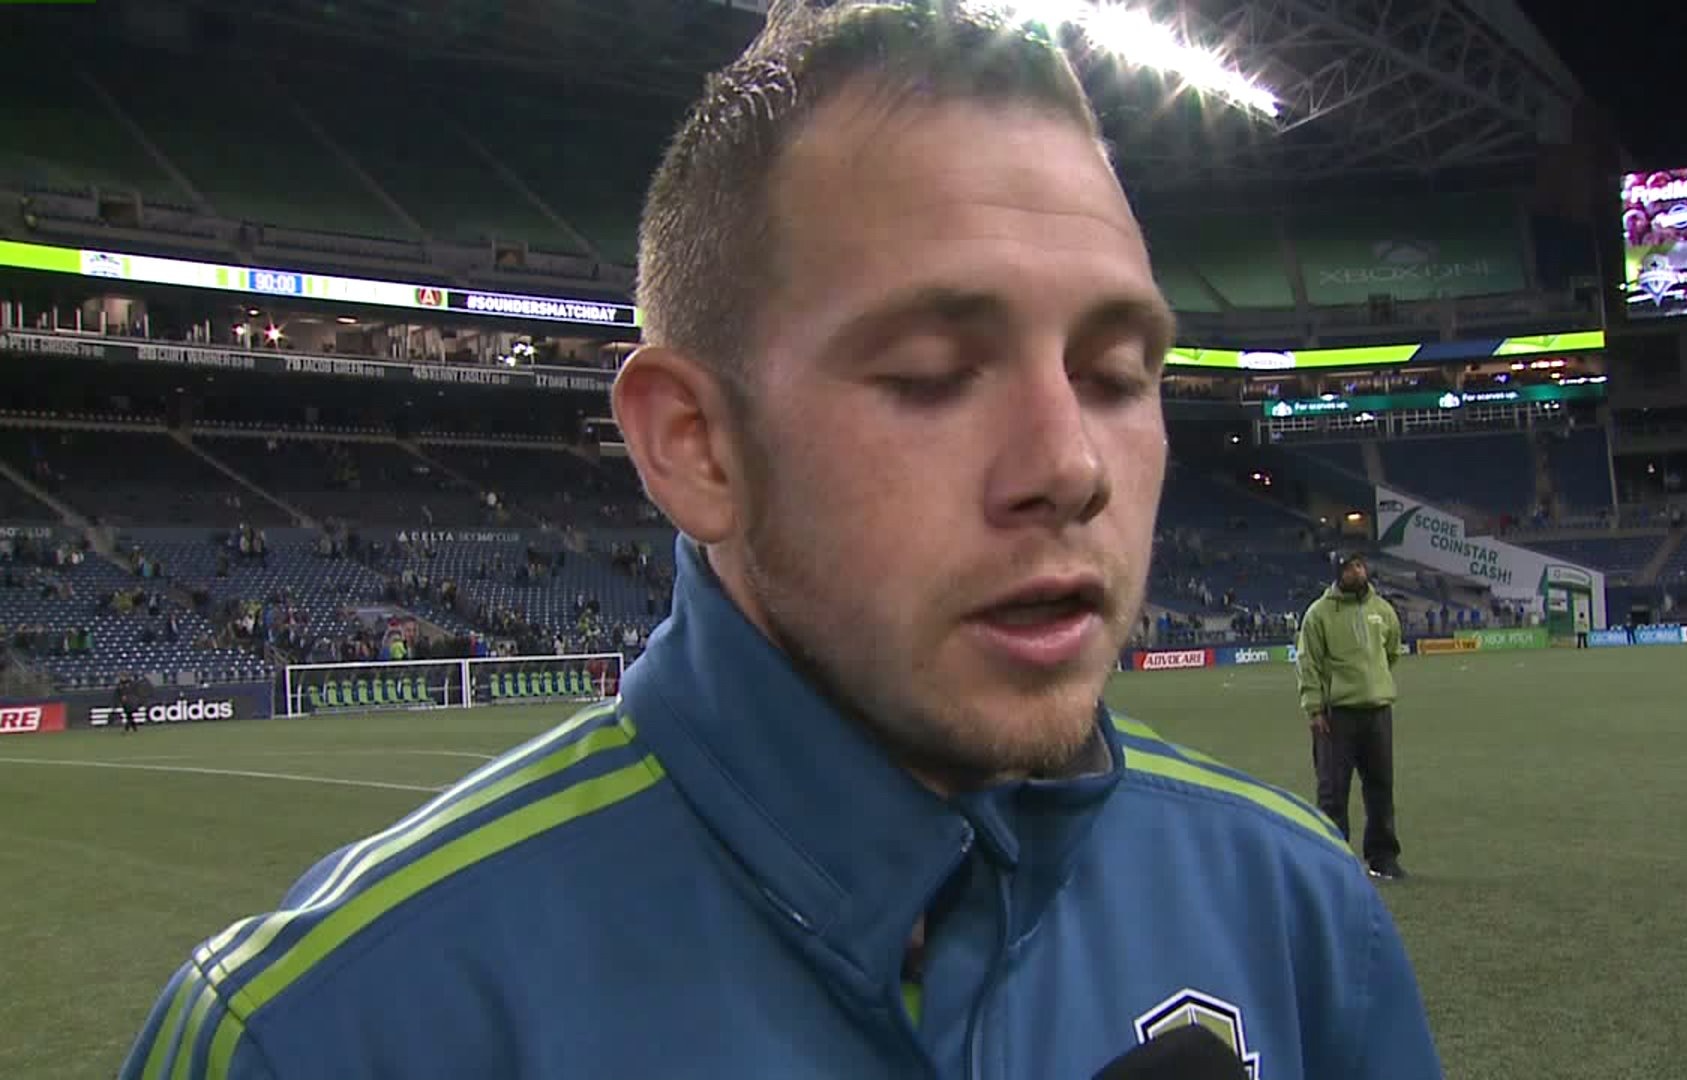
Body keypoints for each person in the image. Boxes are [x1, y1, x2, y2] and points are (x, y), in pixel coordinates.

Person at [119, 3, 1442, 1077]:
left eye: (1113, 375)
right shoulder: (324, 1035)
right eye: (931, 374)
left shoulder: (1296, 912)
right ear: (696, 447)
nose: (1071, 467)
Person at [1298, 552, 1408, 881]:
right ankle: (1333, 862)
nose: (1357, 572)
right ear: (1338, 572)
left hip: (1377, 710)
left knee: (1381, 788)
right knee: (1333, 792)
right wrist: (1315, 708)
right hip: (1337, 715)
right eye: (1349, 567)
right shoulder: (1318, 614)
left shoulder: (1382, 610)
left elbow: (1392, 650)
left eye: (1360, 565)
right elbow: (1308, 663)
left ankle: (1383, 858)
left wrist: (1375, 683)